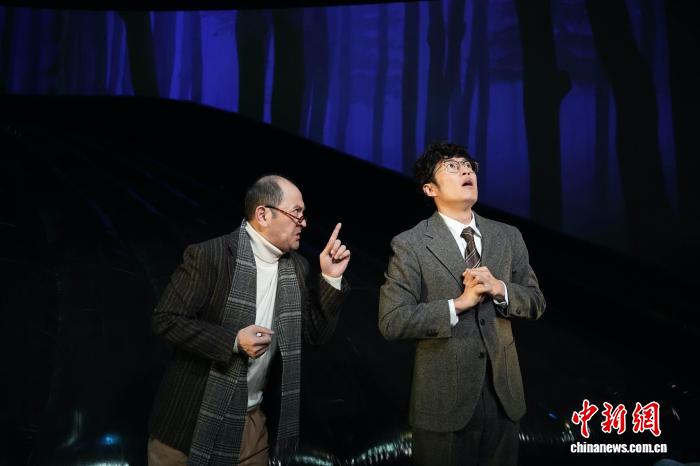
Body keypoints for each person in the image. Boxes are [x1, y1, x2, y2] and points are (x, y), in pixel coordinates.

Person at [148, 174, 350, 466]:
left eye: (304, 214)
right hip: (189, 423)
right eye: (296, 213)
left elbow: (314, 334)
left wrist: (330, 278)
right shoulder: (210, 256)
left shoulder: (298, 268)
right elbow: (165, 319)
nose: (303, 223)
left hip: (252, 422)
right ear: (263, 214)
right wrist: (232, 341)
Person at [378, 142, 545, 466]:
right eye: (452, 167)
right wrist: (457, 304)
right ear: (430, 189)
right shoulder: (410, 244)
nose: (465, 170)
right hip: (443, 404)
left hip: (504, 400)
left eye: (468, 165)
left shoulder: (508, 236)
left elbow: (536, 301)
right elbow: (392, 320)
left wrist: (500, 289)